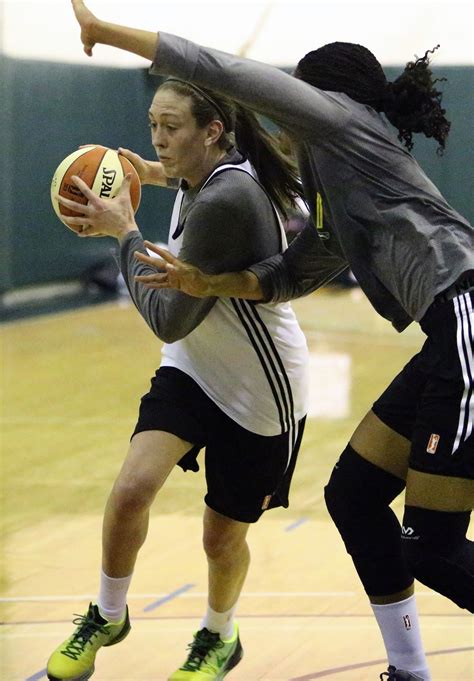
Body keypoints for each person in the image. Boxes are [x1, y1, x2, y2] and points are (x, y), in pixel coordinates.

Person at [67, 3, 474, 681]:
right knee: (354, 495)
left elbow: (220, 71)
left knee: (431, 545)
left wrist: (106, 33)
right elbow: (289, 274)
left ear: (322, 97)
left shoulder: (340, 120)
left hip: (468, 318)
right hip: (447, 336)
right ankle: (410, 670)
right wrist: (207, 279)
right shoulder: (333, 184)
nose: (289, 115)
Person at [46, 75, 309, 680]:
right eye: (152, 128)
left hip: (259, 389)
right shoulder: (208, 172)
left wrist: (124, 232)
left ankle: (220, 635)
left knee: (221, 538)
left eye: (172, 129)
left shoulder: (226, 201)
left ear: (211, 132)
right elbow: (184, 176)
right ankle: (108, 615)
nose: (159, 140)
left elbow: (167, 318)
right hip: (193, 367)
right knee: (133, 488)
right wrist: (144, 171)